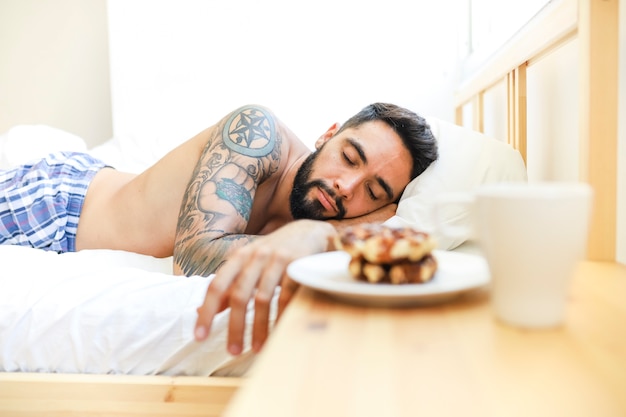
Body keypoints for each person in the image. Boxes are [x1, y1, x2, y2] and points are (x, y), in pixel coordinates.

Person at [0, 102, 438, 354]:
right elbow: (193, 255)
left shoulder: (324, 212)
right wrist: (328, 236)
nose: (346, 187)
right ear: (327, 135)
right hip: (58, 204)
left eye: (373, 191)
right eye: (349, 156)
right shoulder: (258, 134)